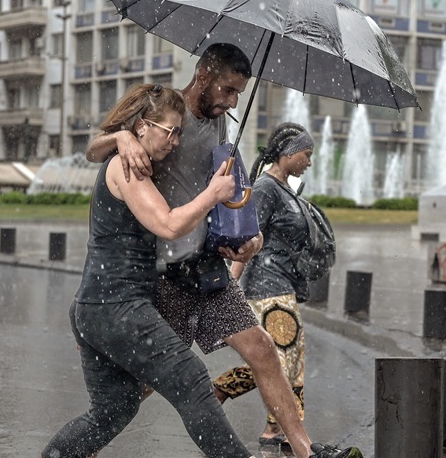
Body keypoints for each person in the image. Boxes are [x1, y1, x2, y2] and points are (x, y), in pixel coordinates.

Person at [86, 44, 362, 458]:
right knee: (143, 383)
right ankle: (85, 440)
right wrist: (122, 136)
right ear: (203, 76)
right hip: (165, 275)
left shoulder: (220, 124)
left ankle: (307, 451)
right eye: (227, 90)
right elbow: (94, 150)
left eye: (238, 93)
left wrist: (245, 240)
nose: (233, 101)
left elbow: (221, 197)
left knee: (263, 350)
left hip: (206, 269)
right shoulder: (166, 117)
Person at [41, 83, 250, 458]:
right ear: (143, 127)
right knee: (192, 380)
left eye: (180, 133)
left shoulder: (132, 160)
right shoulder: (127, 168)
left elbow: (93, 148)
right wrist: (213, 194)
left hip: (97, 307)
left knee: (114, 409)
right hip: (117, 307)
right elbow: (168, 225)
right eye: (171, 132)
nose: (175, 142)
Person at [213, 122, 316, 449]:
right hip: (266, 285)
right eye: (306, 154)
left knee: (289, 357)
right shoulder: (266, 188)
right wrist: (230, 282)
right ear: (287, 153)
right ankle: (221, 396)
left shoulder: (285, 188)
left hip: (282, 283)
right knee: (281, 358)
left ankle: (275, 426)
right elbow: (247, 238)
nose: (309, 162)